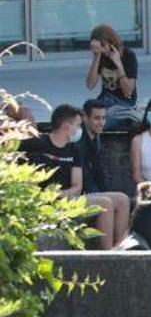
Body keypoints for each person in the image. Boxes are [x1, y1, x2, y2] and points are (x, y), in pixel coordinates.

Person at [19, 104, 116, 247]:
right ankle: (109, 256)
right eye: (77, 125)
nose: (79, 130)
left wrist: (59, 194)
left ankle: (118, 248)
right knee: (105, 204)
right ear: (67, 126)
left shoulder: (74, 149)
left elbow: (77, 186)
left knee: (120, 199)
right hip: (42, 201)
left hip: (67, 199)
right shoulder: (35, 144)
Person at [75, 99, 131, 245]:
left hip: (92, 189)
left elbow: (99, 171)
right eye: (96, 118)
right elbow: (83, 175)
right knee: (106, 203)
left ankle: (121, 249)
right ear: (84, 118)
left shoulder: (96, 137)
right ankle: (108, 256)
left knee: (123, 199)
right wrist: (99, 192)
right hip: (81, 193)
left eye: (104, 118)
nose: (101, 123)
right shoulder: (78, 141)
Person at [83, 23, 140, 127]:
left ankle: (132, 115)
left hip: (124, 103)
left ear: (111, 42)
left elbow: (128, 92)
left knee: (104, 118)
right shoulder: (100, 57)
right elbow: (90, 85)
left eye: (103, 45)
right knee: (85, 117)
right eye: (98, 46)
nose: (102, 50)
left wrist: (119, 65)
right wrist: (96, 57)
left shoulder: (128, 56)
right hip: (105, 101)